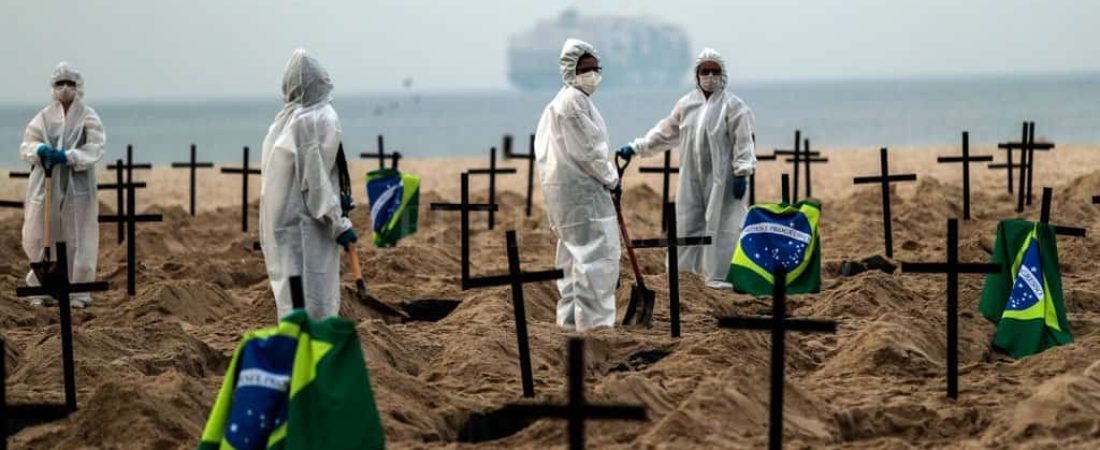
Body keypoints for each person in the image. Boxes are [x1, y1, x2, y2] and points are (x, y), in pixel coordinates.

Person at [618, 48, 757, 289]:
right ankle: (682, 278)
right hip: (691, 178)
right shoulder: (686, 104)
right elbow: (665, 132)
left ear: (723, 74)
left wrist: (742, 171)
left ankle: (718, 278)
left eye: (715, 71)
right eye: (705, 71)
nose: (710, 76)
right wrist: (637, 146)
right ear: (697, 74)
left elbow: (743, 142)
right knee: (686, 224)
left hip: (723, 181)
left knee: (722, 227)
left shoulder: (734, 107)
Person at [259, 49, 356, 321]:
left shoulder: (283, 123)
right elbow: (314, 183)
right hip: (309, 224)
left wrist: (338, 198)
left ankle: (295, 345)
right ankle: (312, 348)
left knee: (293, 295)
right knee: (317, 295)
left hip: (282, 224)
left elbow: (302, 177)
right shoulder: (320, 118)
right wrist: (338, 221)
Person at [534, 39, 621, 331]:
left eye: (596, 68)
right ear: (570, 70)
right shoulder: (572, 103)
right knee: (596, 262)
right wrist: (612, 179)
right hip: (585, 199)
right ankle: (594, 327)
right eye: (585, 69)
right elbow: (590, 152)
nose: (592, 74)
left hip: (568, 198)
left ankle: (570, 323)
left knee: (573, 261)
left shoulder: (564, 101)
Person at [19, 62, 106, 308]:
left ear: (79, 87)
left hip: (77, 185)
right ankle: (41, 288)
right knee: (39, 233)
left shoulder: (89, 117)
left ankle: (78, 290)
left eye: (70, 83)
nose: (65, 88)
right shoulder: (44, 117)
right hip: (45, 183)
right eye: (60, 83)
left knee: (79, 234)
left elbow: (96, 147)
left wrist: (69, 157)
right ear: (53, 87)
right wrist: (41, 150)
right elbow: (27, 145)